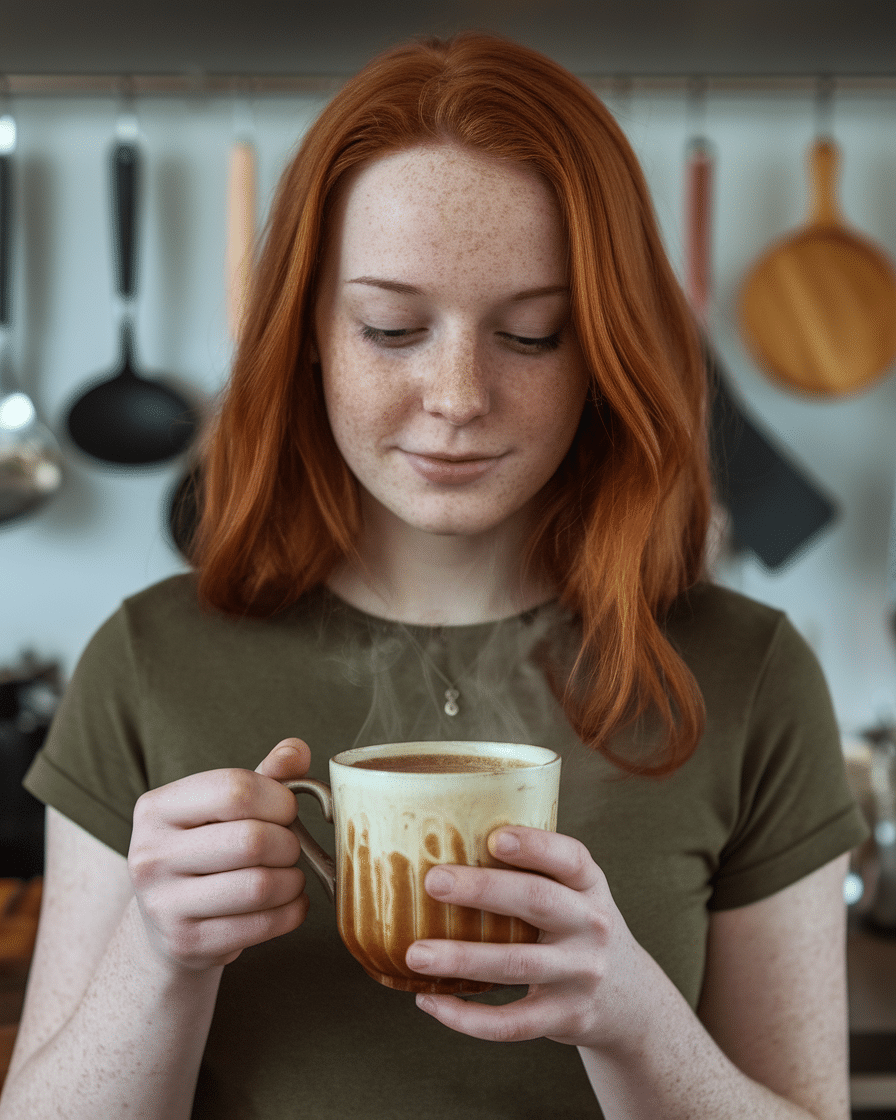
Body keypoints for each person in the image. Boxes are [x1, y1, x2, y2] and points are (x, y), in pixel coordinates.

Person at [2, 33, 866, 1120]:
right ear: (310, 333)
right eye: (391, 327)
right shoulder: (148, 659)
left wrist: (637, 1023)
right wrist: (153, 958)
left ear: (602, 349)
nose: (457, 396)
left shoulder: (746, 674)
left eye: (532, 334)